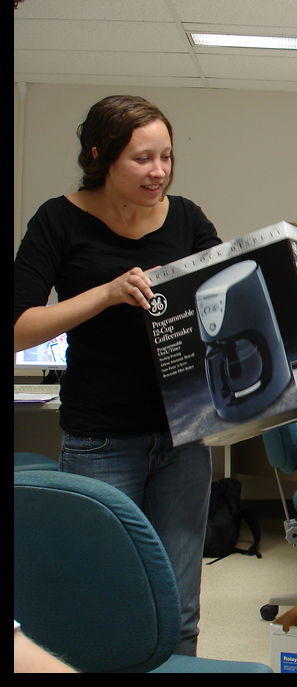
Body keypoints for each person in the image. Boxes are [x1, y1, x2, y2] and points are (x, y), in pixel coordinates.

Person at [13, 95, 222, 657]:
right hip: (101, 439)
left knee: (179, 611)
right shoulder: (58, 220)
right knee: (104, 604)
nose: (158, 172)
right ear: (100, 154)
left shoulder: (186, 218)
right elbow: (19, 327)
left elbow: (227, 296)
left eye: (167, 157)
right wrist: (105, 294)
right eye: (142, 159)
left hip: (183, 437)